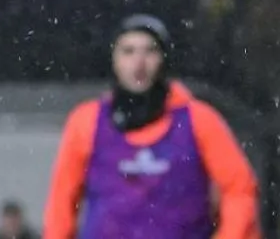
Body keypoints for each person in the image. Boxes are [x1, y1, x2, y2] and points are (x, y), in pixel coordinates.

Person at [42, 14, 261, 239]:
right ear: (114, 59)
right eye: (128, 51)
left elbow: (240, 189)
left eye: (150, 51)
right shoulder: (86, 121)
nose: (139, 63)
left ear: (164, 59)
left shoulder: (199, 119)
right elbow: (62, 200)